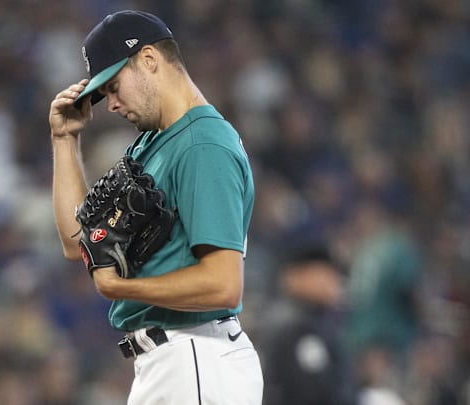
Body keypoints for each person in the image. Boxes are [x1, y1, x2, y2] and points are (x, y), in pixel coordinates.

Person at [49, 10, 263, 404]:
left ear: (149, 60)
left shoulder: (202, 144)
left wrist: (120, 286)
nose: (110, 103)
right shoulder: (153, 142)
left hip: (196, 357)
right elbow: (76, 241)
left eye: (113, 86)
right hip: (171, 362)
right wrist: (65, 141)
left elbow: (223, 284)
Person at [255, 244, 356, 405]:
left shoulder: (310, 318)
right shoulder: (296, 325)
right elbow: (312, 394)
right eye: (325, 274)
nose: (334, 282)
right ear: (295, 276)